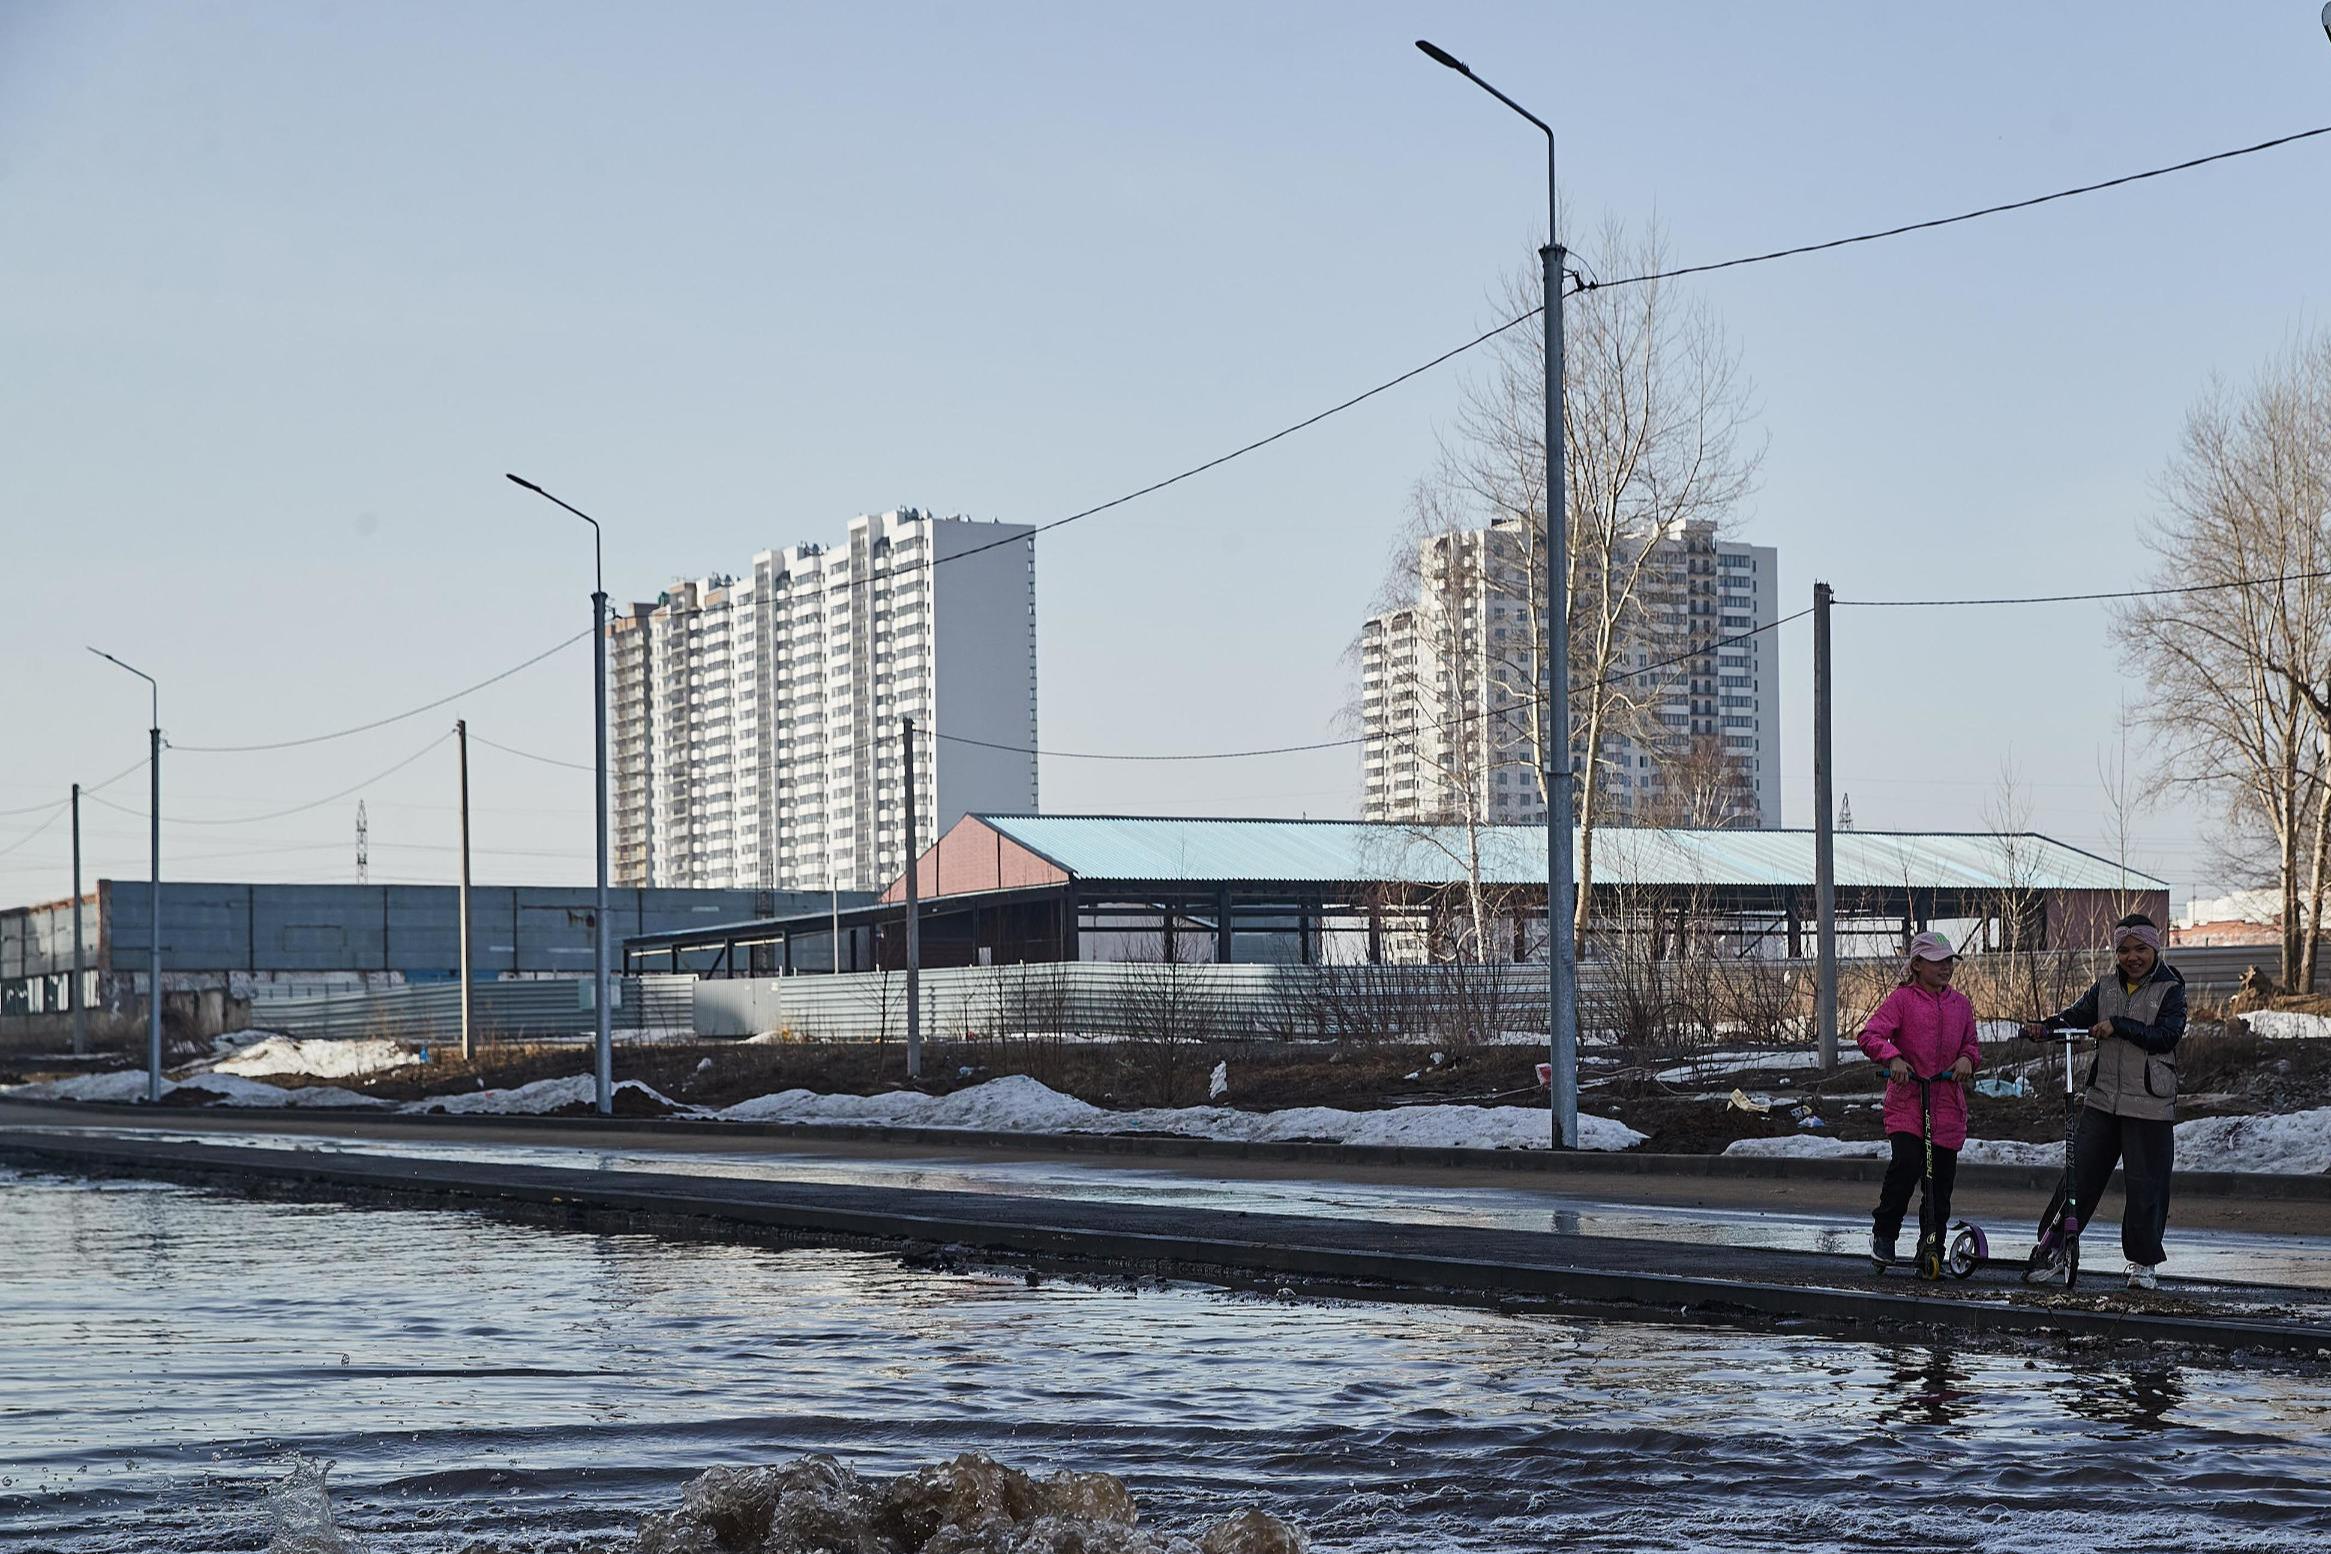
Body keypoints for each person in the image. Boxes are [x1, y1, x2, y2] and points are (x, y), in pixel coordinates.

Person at [2020, 913, 2186, 1291]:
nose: (2132, 957)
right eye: (2124, 950)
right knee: (2078, 1179)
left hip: (2149, 1104)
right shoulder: (2106, 986)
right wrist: (2045, 1027)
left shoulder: (2170, 988)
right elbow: (2075, 1017)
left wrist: (2118, 1026)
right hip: (2103, 1101)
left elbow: (2167, 1036)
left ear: (2154, 948)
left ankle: (2143, 1264)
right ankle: (2053, 1249)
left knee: (2147, 1186)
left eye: (2140, 949)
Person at [1857, 931, 1981, 1272]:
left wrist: (1968, 1061)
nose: (1945, 968)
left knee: (1940, 1184)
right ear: (1917, 965)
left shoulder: (1961, 1005)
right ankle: (1884, 1233)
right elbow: (1870, 1035)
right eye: (1937, 962)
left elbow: (1971, 1046)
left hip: (1946, 1105)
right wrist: (1893, 1058)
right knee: (1908, 1164)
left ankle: (1932, 1244)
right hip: (1909, 1102)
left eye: (1949, 962)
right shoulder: (1902, 1001)